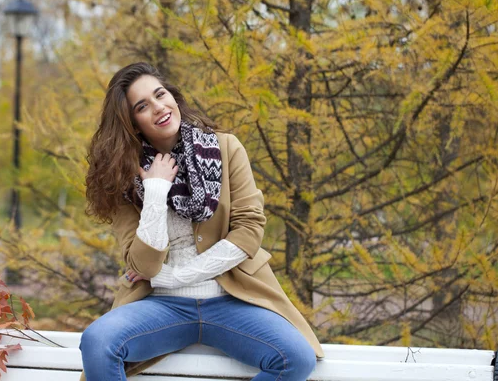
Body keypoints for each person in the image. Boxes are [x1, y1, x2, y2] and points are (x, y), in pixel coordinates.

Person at [80, 62, 324, 380]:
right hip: (162, 308)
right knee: (97, 342)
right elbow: (143, 266)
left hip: (231, 299)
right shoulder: (123, 176)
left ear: (173, 97)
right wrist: (154, 191)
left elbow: (249, 230)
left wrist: (179, 277)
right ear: (133, 123)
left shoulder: (226, 148)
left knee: (297, 358)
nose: (159, 107)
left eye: (160, 94)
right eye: (143, 106)